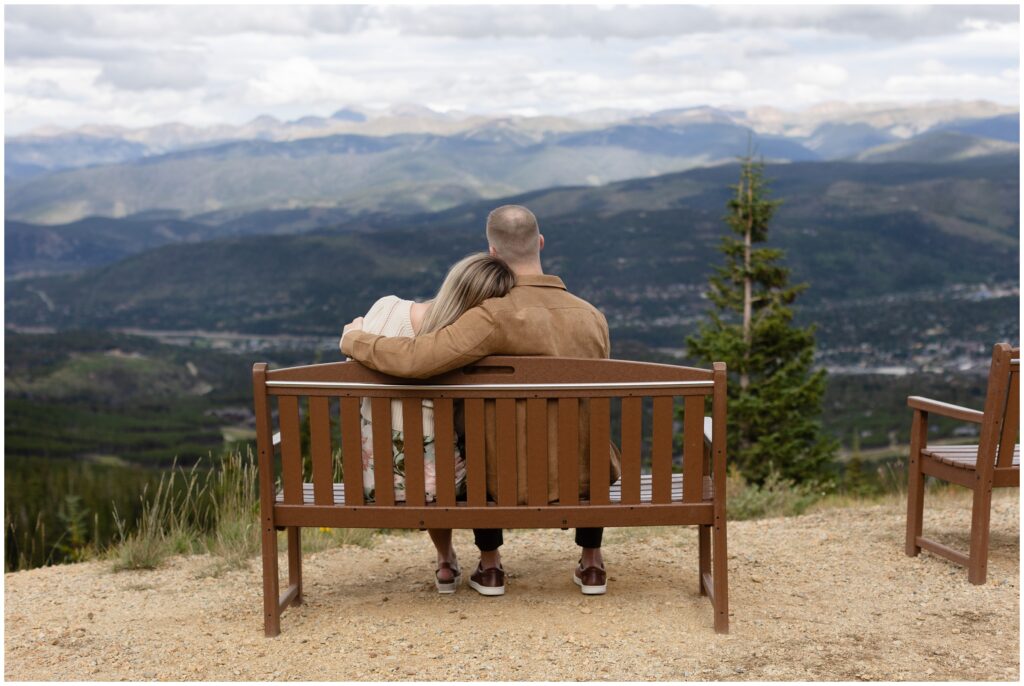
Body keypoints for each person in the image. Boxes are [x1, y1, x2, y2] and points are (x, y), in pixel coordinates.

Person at [340, 205, 620, 597]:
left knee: (478, 436)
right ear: (540, 243)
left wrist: (356, 338)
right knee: (582, 430)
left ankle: (490, 567)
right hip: (584, 477)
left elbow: (416, 360)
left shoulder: (489, 317)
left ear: (492, 252)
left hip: (501, 480)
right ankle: (592, 563)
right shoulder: (593, 317)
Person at [352, 252, 515, 594]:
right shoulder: (466, 343)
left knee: (423, 456)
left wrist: (352, 334)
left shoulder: (386, 309)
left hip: (375, 480)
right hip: (440, 485)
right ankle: (491, 562)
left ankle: (445, 559)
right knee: (472, 456)